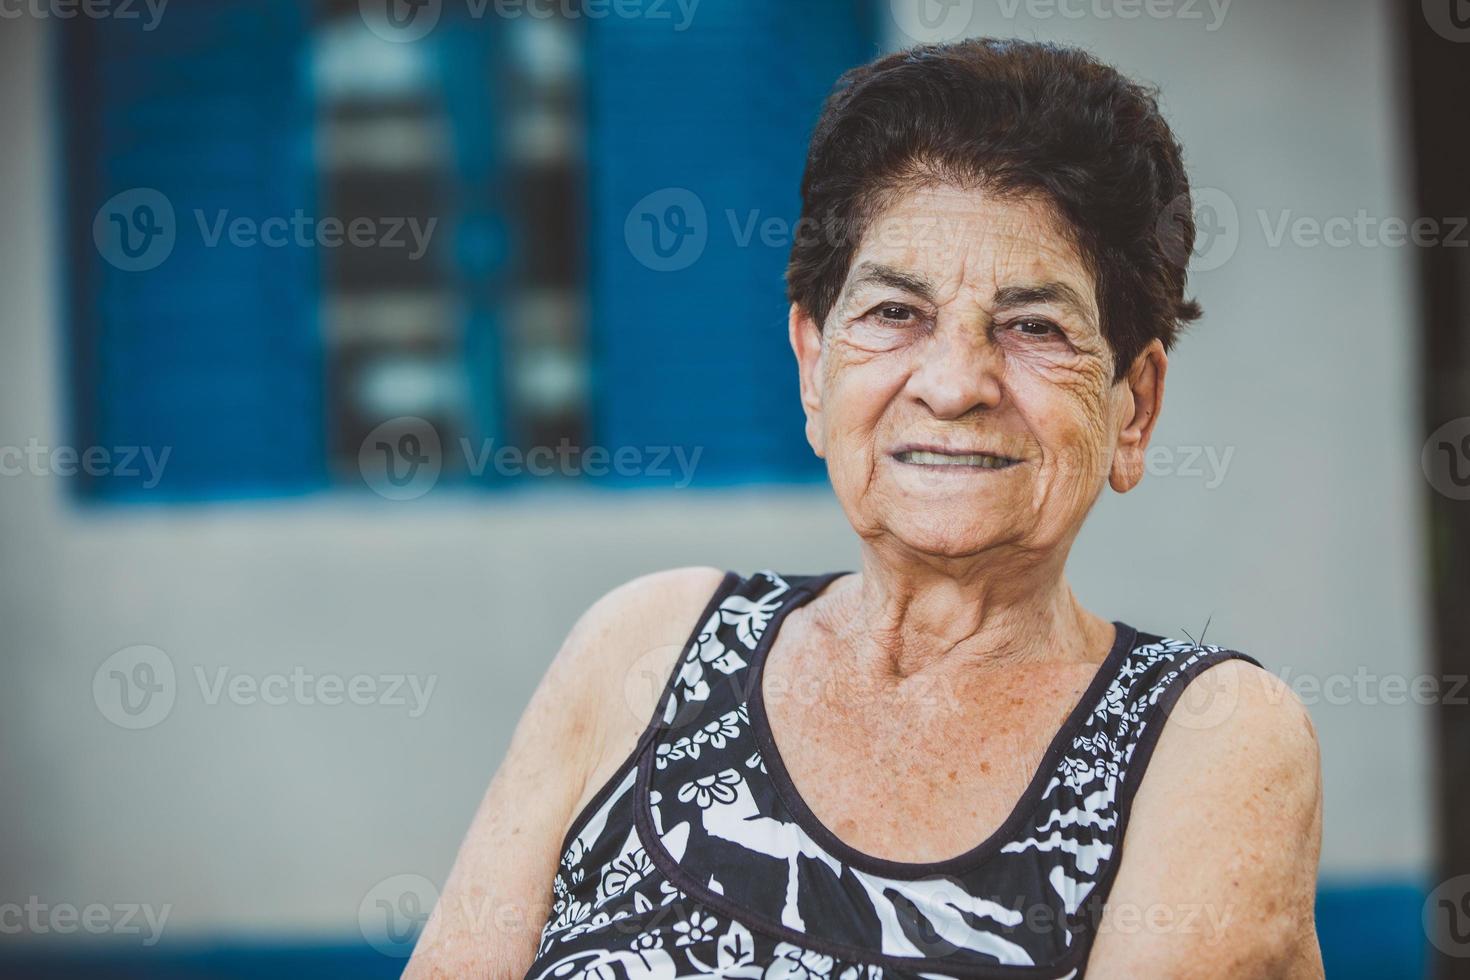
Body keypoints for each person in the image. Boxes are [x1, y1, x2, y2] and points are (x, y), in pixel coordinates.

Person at [406, 37, 1323, 978]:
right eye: (896, 313)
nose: (956, 382)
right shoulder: (644, 646)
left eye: (1033, 328)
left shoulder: (1206, 739)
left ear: (1135, 407)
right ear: (813, 367)